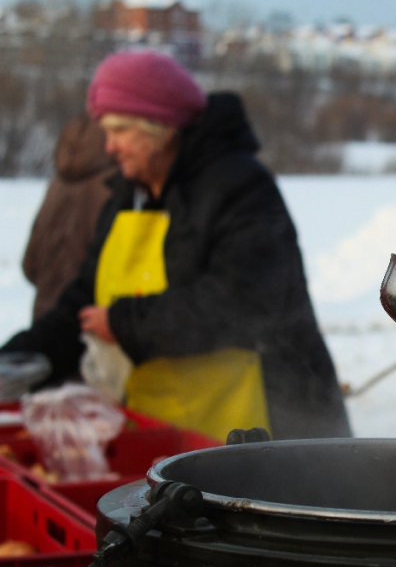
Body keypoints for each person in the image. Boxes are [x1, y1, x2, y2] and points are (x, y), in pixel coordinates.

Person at [2, 50, 351, 442]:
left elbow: (244, 303)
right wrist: (19, 360)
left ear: (159, 126)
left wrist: (123, 322)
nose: (109, 147)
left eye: (119, 130)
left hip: (262, 429)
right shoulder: (126, 195)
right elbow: (84, 297)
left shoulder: (239, 186)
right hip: (164, 429)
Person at [22, 113, 117, 321]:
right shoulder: (113, 189)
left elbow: (30, 264)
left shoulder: (55, 187)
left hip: (45, 316)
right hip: (91, 321)